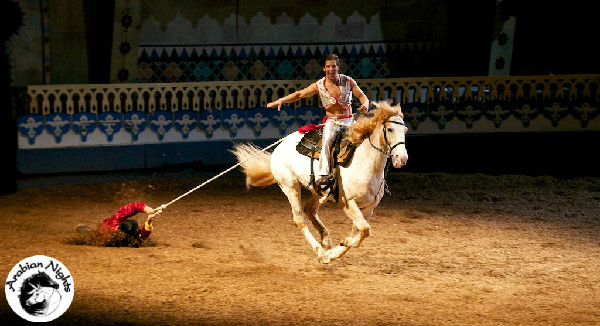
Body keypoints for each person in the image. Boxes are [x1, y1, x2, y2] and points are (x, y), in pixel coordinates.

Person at [266, 54, 369, 188]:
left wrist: (365, 104)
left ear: (338, 67)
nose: (331, 69)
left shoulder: (348, 81)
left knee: (366, 139)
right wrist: (281, 100)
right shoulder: (319, 85)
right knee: (327, 141)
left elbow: (362, 96)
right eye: (328, 66)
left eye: (333, 66)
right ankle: (325, 174)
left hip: (349, 120)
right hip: (333, 122)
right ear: (324, 68)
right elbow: (299, 94)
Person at [76, 202, 160, 247]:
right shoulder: (131, 238)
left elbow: (131, 207)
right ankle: (86, 230)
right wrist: (146, 212)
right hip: (102, 233)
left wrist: (148, 217)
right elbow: (143, 236)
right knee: (93, 236)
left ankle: (85, 230)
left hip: (104, 232)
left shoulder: (115, 222)